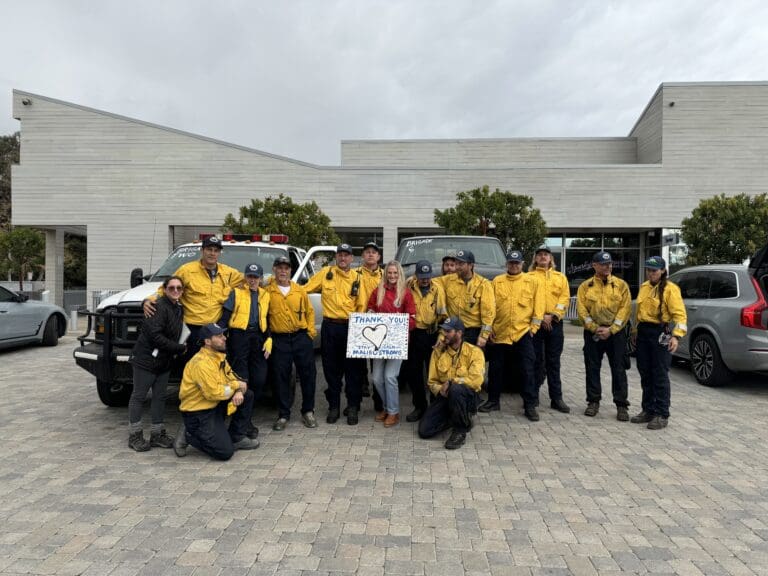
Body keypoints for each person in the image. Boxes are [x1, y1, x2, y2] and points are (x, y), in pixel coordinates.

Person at [144, 235, 244, 361]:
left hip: (215, 330)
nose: (212, 253)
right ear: (202, 251)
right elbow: (165, 289)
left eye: (216, 250)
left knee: (214, 365)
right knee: (191, 364)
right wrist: (148, 300)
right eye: (209, 249)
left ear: (219, 253)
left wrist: (271, 280)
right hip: (192, 330)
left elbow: (251, 279)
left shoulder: (228, 273)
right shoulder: (187, 270)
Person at [173, 323, 259, 460]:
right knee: (225, 452)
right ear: (207, 342)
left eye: (223, 335)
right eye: (219, 336)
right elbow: (214, 393)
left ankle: (237, 437)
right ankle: (189, 434)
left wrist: (238, 390)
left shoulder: (219, 357)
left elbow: (236, 379)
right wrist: (236, 385)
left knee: (247, 395)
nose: (224, 338)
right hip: (198, 413)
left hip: (214, 405)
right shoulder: (201, 363)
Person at [479, 251, 545, 420]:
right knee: (495, 369)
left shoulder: (532, 281)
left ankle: (529, 405)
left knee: (527, 369)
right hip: (500, 333)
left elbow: (539, 307)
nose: (514, 265)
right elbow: (490, 306)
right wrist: (490, 327)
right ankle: (493, 401)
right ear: (506, 264)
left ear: (522, 264)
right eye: (511, 263)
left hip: (522, 333)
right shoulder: (497, 282)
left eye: (517, 263)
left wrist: (533, 329)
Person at [305, 243, 365, 425]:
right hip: (330, 327)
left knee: (353, 370)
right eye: (340, 255)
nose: (343, 258)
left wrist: (359, 330)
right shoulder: (325, 273)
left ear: (352, 259)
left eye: (346, 255)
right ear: (336, 257)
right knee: (331, 370)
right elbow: (304, 289)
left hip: (351, 327)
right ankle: (334, 407)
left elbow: (361, 305)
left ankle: (353, 407)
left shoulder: (357, 277)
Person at [127, 276, 186, 451]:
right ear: (164, 289)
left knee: (159, 397)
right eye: (172, 288)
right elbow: (155, 335)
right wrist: (178, 348)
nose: (175, 291)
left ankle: (157, 434)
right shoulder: (158, 306)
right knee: (138, 396)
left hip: (163, 361)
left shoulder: (178, 308)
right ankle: (135, 435)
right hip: (146, 360)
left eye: (179, 288)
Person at [630, 256, 687, 430]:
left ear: (662, 271)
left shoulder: (671, 289)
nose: (651, 273)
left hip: (661, 332)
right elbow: (639, 312)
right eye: (648, 270)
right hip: (644, 332)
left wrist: (676, 336)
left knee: (660, 374)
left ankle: (662, 413)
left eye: (654, 270)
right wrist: (634, 331)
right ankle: (648, 409)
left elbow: (680, 316)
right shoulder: (644, 287)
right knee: (645, 373)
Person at [576, 251, 632, 421]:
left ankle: (621, 405)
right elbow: (582, 310)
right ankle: (593, 402)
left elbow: (625, 309)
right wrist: (594, 328)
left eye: (609, 264)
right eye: (603, 264)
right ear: (594, 266)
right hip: (593, 334)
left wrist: (612, 329)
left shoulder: (621, 285)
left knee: (619, 369)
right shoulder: (585, 286)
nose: (607, 267)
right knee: (592, 368)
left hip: (615, 334)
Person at [266, 255, 318, 431]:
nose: (283, 271)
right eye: (279, 267)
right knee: (280, 377)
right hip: (279, 339)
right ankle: (283, 414)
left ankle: (308, 411)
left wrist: (310, 333)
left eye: (286, 268)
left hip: (300, 337)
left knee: (308, 375)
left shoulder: (299, 290)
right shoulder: (267, 291)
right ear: (274, 269)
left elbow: (310, 312)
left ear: (290, 271)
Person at [418, 317, 484, 450]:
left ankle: (460, 431)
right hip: (445, 395)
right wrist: (439, 389)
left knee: (456, 389)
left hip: (466, 396)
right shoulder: (438, 352)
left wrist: (452, 382)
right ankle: (457, 417)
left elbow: (476, 381)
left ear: (459, 333)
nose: (444, 334)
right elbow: (432, 381)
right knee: (424, 431)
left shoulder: (474, 352)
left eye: (448, 331)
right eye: (443, 331)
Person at [367, 260, 416, 427]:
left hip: (396, 343)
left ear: (400, 274)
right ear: (386, 274)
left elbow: (412, 318)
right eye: (390, 273)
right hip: (379, 342)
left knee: (389, 377)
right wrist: (370, 314)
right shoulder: (377, 291)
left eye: (395, 273)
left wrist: (399, 329)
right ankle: (387, 408)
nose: (393, 276)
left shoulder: (406, 293)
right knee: (376, 378)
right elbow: (370, 309)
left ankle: (393, 412)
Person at [219, 263, 272, 411]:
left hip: (258, 336)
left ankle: (250, 407)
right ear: (245, 277)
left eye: (256, 277)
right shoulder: (236, 293)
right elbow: (225, 317)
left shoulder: (265, 295)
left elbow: (267, 319)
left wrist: (269, 338)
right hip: (239, 336)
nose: (252, 280)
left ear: (261, 279)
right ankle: (242, 416)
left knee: (260, 377)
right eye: (250, 276)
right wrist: (217, 334)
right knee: (241, 376)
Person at [529, 245, 571, 413]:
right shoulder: (528, 277)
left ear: (551, 259)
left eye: (546, 254)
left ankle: (556, 398)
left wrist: (552, 316)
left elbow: (564, 298)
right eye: (539, 255)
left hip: (554, 323)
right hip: (535, 324)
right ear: (535, 259)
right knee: (536, 361)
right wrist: (540, 317)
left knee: (554, 362)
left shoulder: (560, 278)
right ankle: (533, 397)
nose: (543, 257)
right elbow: (528, 300)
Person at [403, 260, 447, 422]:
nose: (425, 280)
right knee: (414, 373)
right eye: (422, 277)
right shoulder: (408, 288)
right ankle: (419, 406)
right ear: (416, 275)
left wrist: (442, 338)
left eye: (427, 277)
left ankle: (434, 407)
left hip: (432, 335)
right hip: (414, 335)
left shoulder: (437, 290)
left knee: (433, 373)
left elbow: (443, 316)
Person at [441, 250, 495, 348]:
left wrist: (483, 336)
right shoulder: (448, 280)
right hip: (454, 332)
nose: (457, 267)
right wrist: (414, 278)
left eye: (461, 264)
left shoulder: (483, 284)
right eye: (456, 264)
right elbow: (431, 282)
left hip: (473, 333)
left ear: (470, 265)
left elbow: (488, 313)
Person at [355, 241, 384, 410]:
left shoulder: (385, 275)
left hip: (379, 322)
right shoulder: (355, 274)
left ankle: (378, 399)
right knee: (358, 362)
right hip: (359, 320)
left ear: (379, 256)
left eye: (374, 252)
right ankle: (360, 391)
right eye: (367, 252)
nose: (370, 254)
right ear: (362, 256)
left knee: (377, 362)